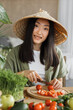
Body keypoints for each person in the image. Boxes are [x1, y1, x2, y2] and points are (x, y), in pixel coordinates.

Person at [4, 9, 68, 89]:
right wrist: (23, 73)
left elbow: (60, 80)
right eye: (36, 26)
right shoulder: (14, 53)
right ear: (30, 28)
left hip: (48, 99)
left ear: (49, 33)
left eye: (45, 29)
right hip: (23, 98)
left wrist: (58, 83)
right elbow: (4, 80)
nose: (39, 32)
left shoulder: (57, 53)